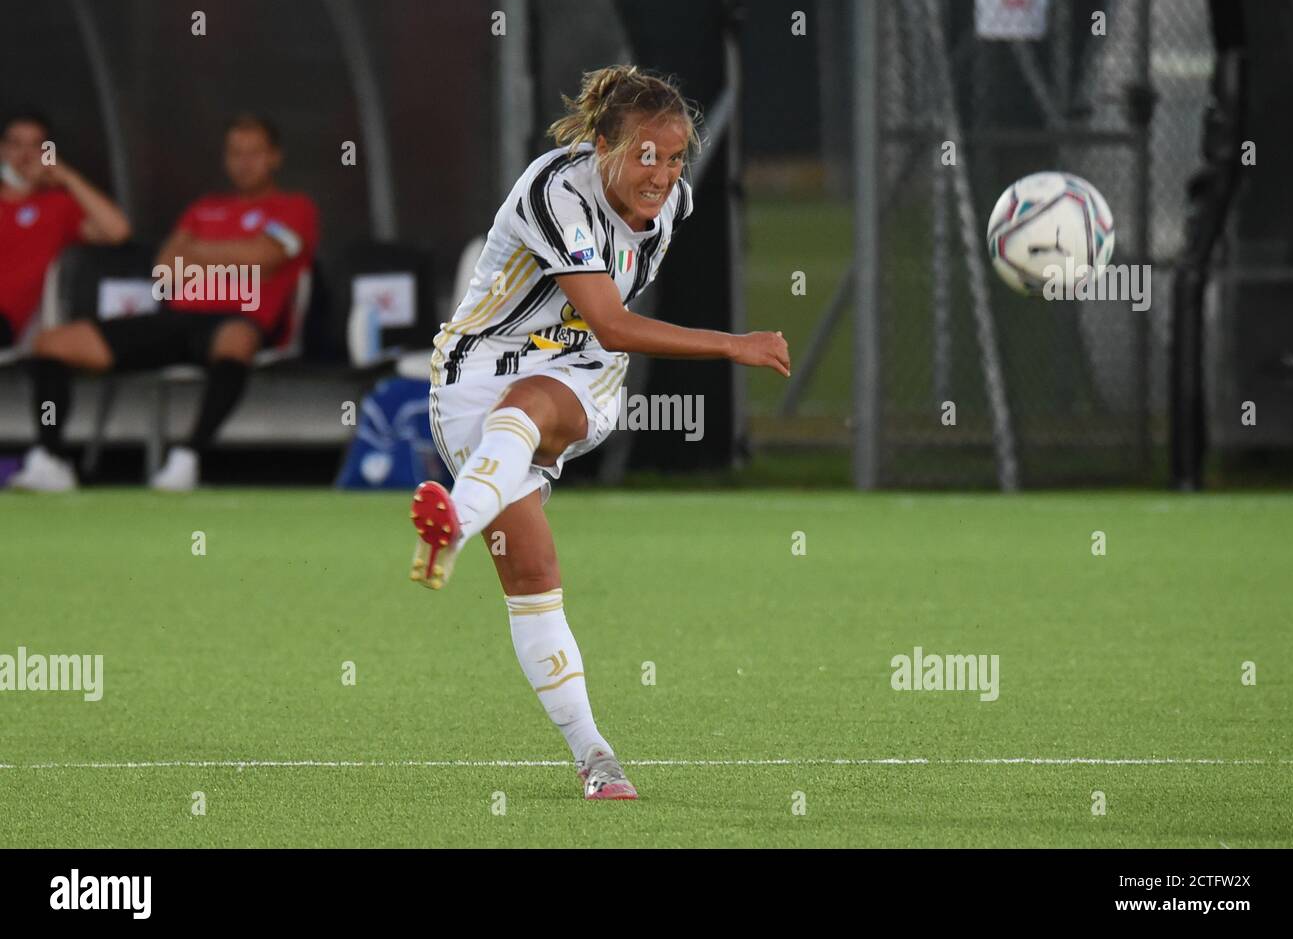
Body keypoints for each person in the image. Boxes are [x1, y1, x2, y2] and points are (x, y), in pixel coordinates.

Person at [408, 65, 790, 800]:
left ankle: (452, 520)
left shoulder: (669, 203)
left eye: (676, 158)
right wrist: (732, 344)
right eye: (647, 154)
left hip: (581, 375)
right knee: (532, 575)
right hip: (475, 372)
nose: (662, 174)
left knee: (535, 400)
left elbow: (601, 336)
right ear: (602, 142)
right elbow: (614, 318)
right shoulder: (557, 190)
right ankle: (596, 757)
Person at [11, 113, 318, 492]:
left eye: (254, 153)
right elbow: (166, 268)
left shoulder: (295, 207)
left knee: (236, 340)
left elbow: (267, 257)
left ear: (275, 157)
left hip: (241, 318)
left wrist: (198, 251)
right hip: (178, 316)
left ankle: (188, 456)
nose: (244, 162)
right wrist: (234, 256)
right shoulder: (204, 207)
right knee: (52, 343)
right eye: (236, 153)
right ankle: (51, 459)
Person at [0, 109, 131, 348]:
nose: (24, 155)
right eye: (15, 144)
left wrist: (64, 175)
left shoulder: (60, 205)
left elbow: (117, 231)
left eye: (36, 146)